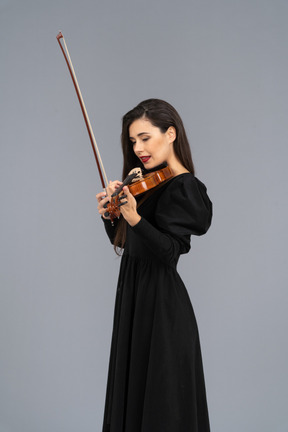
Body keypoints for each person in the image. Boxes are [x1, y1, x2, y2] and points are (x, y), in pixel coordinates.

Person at [96, 99, 212, 432]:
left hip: (162, 306)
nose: (138, 148)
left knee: (163, 408)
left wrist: (133, 216)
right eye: (133, 141)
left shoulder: (185, 187)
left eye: (145, 137)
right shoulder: (147, 183)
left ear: (171, 133)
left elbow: (169, 251)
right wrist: (112, 215)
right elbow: (126, 243)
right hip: (134, 298)